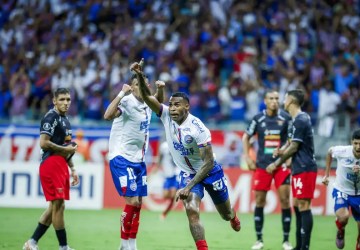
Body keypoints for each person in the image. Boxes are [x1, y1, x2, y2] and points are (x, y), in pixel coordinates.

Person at [131, 61, 240, 250]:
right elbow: (149, 99)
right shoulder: (166, 116)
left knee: (225, 213)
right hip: (187, 173)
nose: (172, 108)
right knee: (191, 209)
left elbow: (208, 162)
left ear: (187, 107)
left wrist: (187, 187)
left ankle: (232, 216)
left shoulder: (198, 128)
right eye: (170, 105)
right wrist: (140, 76)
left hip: (210, 171)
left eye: (177, 105)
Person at [103, 62, 165, 250]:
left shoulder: (147, 103)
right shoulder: (127, 101)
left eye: (144, 85)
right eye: (138, 84)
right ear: (132, 87)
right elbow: (107, 115)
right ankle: (123, 244)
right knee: (132, 201)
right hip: (121, 157)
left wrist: (160, 89)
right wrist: (121, 93)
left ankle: (132, 244)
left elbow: (158, 105)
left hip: (138, 160)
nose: (141, 88)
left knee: (138, 204)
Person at [23, 88, 79, 250]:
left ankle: (32, 242)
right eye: (62, 99)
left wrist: (73, 169)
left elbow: (67, 147)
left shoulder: (65, 120)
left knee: (55, 207)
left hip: (61, 165)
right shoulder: (51, 117)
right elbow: (44, 143)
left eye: (68, 99)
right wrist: (66, 150)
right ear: (54, 101)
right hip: (51, 163)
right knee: (59, 205)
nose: (66, 103)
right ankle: (63, 247)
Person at [266, 89, 318, 250]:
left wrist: (276, 163)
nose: (283, 101)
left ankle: (305, 246)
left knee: (304, 205)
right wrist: (281, 149)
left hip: (305, 166)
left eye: (285, 98)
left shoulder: (301, 119)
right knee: (297, 203)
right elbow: (291, 142)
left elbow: (295, 146)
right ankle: (299, 244)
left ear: (291, 101)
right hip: (298, 167)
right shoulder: (295, 120)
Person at [242, 90, 293, 250]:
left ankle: (286, 241)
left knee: (285, 200)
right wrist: (248, 158)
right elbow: (246, 137)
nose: (274, 101)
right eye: (271, 98)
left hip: (281, 164)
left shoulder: (286, 117)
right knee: (259, 201)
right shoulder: (258, 118)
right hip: (262, 165)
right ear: (265, 101)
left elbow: (292, 140)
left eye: (277, 98)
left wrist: (289, 156)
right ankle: (259, 240)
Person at [322, 129, 360, 250]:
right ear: (351, 142)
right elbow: (329, 152)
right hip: (342, 190)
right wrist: (326, 174)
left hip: (359, 194)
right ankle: (340, 229)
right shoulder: (342, 151)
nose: (358, 147)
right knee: (343, 217)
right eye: (356, 143)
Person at [154, 140, 179, 219]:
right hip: (167, 174)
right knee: (165, 195)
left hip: (176, 173)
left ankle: (164, 213)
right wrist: (156, 168)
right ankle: (165, 212)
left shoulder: (178, 144)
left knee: (173, 195)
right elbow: (160, 158)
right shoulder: (163, 146)